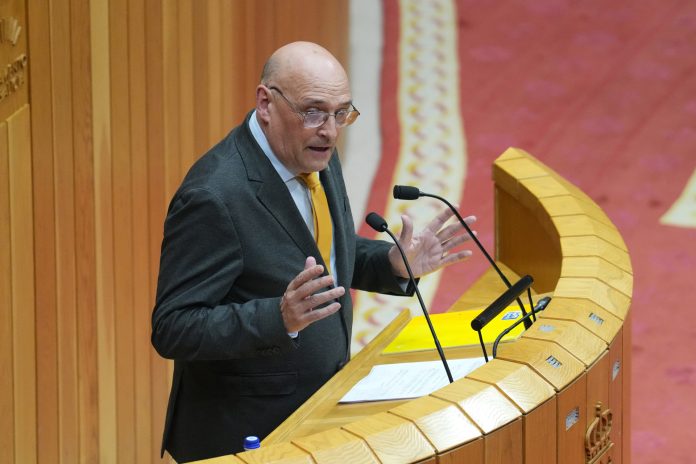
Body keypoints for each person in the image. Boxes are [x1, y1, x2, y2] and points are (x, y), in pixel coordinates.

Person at [151, 41, 476, 462]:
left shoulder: (315, 151)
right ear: (266, 103)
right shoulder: (214, 196)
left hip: (318, 408)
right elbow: (173, 327)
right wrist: (278, 318)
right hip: (248, 434)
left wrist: (391, 262)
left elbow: (322, 254)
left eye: (341, 113)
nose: (330, 130)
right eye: (313, 112)